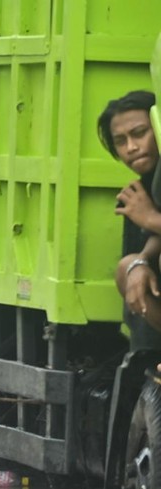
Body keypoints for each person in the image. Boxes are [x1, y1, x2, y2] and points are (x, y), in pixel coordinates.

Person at [97, 90, 161, 332]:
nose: (132, 147)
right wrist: (139, 263)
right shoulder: (136, 195)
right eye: (121, 141)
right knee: (129, 267)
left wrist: (151, 218)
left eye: (140, 133)